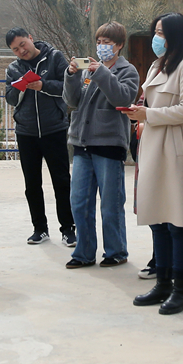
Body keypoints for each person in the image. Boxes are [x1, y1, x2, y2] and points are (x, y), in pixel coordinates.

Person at [128, 13, 183, 315]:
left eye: (162, 32)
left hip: (175, 148)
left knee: (178, 221)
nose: (157, 38)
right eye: (155, 32)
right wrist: (139, 113)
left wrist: (149, 116)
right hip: (152, 145)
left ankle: (180, 290)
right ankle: (162, 282)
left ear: (176, 35)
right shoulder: (158, 66)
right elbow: (151, 104)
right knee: (157, 216)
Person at [62, 22, 139, 269]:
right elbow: (72, 100)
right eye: (100, 41)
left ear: (119, 45)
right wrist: (72, 75)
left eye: (107, 42)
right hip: (82, 144)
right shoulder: (88, 70)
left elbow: (123, 98)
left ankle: (116, 251)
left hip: (108, 144)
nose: (102, 46)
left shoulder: (127, 70)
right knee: (79, 201)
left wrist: (101, 73)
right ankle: (83, 252)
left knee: (111, 203)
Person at [4, 28, 76, 247]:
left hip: (54, 128)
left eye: (23, 44)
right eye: (15, 49)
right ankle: (39, 229)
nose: (21, 51)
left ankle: (68, 229)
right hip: (26, 132)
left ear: (31, 39)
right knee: (32, 184)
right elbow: (9, 97)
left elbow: (68, 87)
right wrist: (21, 87)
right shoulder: (13, 68)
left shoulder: (54, 58)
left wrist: (43, 85)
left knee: (61, 181)